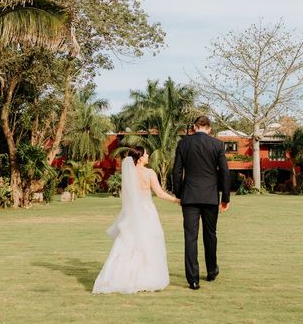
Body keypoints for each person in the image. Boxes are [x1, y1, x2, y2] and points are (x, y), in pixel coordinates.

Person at [92, 146, 180, 294]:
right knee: (149, 243)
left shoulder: (129, 174)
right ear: (140, 157)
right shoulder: (149, 173)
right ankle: (146, 277)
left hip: (132, 214)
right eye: (146, 154)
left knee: (130, 244)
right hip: (147, 213)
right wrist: (177, 200)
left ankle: (122, 277)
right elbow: (159, 193)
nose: (148, 156)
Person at [172, 115, 231, 290]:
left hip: (189, 196)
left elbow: (176, 172)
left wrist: (179, 194)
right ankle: (212, 270)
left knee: (190, 238)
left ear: (195, 127)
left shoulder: (183, 144)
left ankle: (193, 280)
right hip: (211, 196)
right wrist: (226, 197)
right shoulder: (217, 144)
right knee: (210, 235)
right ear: (209, 128)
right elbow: (225, 173)